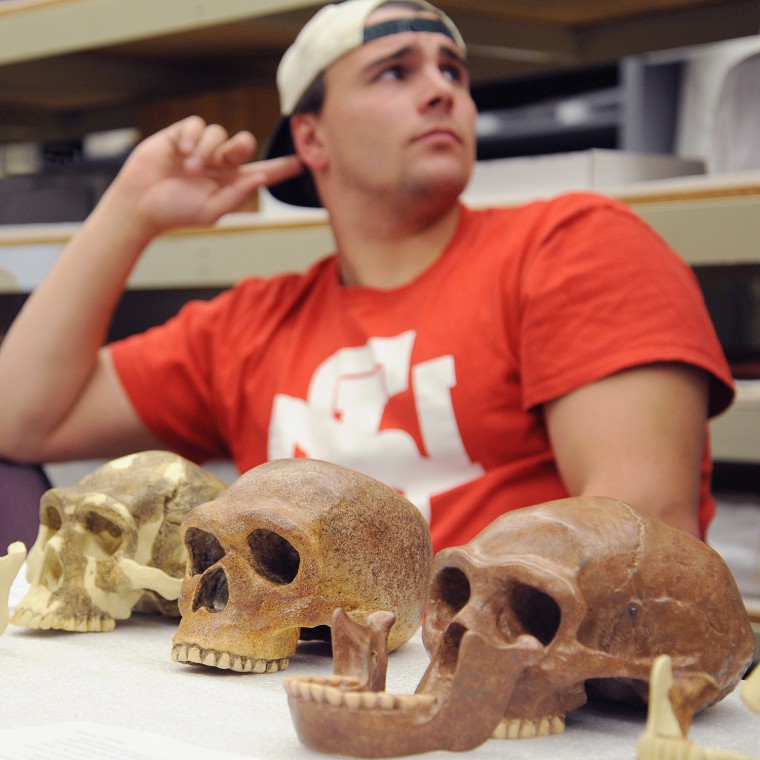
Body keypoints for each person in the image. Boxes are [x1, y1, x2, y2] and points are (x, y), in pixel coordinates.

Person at [0, 0, 734, 552]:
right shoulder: (252, 325)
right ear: (311, 136)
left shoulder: (572, 247)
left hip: (523, 687)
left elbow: (642, 535)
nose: (442, 90)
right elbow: (18, 418)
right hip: (293, 685)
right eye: (395, 72)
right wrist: (130, 209)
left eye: (453, 71)